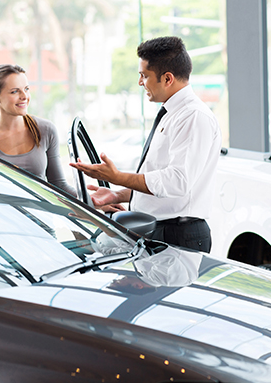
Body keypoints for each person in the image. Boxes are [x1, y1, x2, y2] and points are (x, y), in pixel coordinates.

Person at [70, 36, 221, 253]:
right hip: (161, 229)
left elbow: (177, 182)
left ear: (167, 79)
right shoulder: (173, 113)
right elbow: (159, 180)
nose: (140, 82)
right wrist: (118, 194)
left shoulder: (193, 116)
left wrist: (117, 176)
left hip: (178, 233)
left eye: (144, 76)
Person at [0, 64, 76, 196]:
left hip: (42, 216)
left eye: (26, 89)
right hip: (3, 216)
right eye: (15, 91)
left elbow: (59, 186)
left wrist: (92, 201)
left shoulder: (46, 130)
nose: (24, 96)